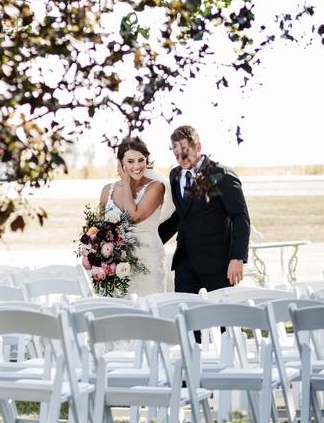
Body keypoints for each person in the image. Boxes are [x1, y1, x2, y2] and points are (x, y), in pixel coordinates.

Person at [158, 125, 251, 296]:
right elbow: (181, 215)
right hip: (185, 262)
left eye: (185, 151)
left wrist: (237, 258)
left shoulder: (220, 174)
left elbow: (240, 217)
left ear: (198, 147)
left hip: (217, 262)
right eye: (176, 153)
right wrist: (151, 241)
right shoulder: (175, 175)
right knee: (185, 315)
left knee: (224, 318)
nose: (180, 158)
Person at [99, 136, 168, 295]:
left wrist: (125, 182)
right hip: (115, 263)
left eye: (141, 160)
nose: (137, 166)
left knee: (149, 309)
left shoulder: (156, 187)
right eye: (130, 161)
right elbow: (99, 229)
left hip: (147, 260)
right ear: (120, 163)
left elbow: (132, 216)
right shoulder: (107, 190)